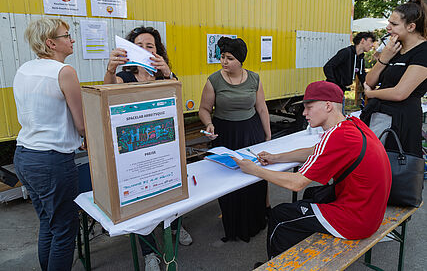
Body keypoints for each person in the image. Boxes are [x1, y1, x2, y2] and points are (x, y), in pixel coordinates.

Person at [233, 81, 391, 259]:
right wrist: (276, 157)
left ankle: (276, 265)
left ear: (328, 106)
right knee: (312, 195)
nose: (304, 113)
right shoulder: (352, 124)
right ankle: (301, 253)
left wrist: (254, 169)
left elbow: (296, 183)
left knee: (280, 216)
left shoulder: (337, 135)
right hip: (371, 212)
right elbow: (317, 151)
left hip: (357, 220)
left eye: (309, 107)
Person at [103, 26, 191, 271]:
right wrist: (111, 68)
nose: (144, 50)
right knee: (143, 203)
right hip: (136, 151)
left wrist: (169, 72)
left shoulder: (165, 76)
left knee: (171, 190)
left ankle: (175, 227)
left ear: (158, 50)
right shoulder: (125, 77)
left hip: (166, 147)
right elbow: (108, 91)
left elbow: (178, 100)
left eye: (149, 45)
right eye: (138, 45)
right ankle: (149, 252)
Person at [13, 18, 85, 271]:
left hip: (24, 156)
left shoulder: (25, 69)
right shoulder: (63, 72)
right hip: (52, 160)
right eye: (67, 35)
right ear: (51, 43)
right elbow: (82, 124)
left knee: (48, 222)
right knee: (65, 229)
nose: (72, 39)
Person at [199, 36, 271, 242]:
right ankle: (233, 226)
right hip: (225, 134)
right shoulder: (213, 80)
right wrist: (208, 124)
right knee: (228, 180)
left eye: (229, 58)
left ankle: (256, 221)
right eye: (222, 57)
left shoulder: (254, 79)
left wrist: (267, 135)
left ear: (240, 60)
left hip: (251, 133)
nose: (224, 61)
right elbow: (204, 109)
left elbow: (262, 108)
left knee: (254, 178)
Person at [361, 0, 427, 158]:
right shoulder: (394, 48)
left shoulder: (423, 52)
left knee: (394, 168)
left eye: (394, 24)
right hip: (379, 116)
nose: (388, 27)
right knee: (370, 164)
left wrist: (371, 94)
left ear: (411, 27)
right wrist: (384, 58)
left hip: (402, 120)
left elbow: (400, 93)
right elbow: (369, 81)